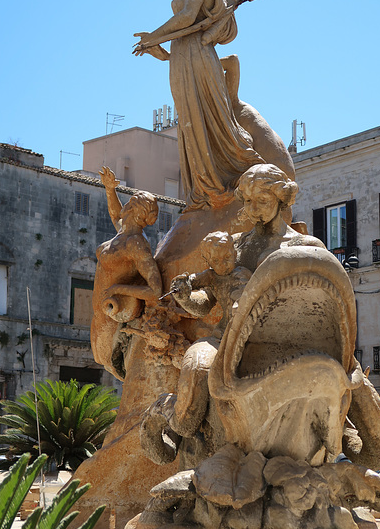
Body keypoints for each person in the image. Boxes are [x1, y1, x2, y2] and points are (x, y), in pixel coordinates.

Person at [133, 0, 264, 211]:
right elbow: (188, 24)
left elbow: (188, 16)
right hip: (184, 55)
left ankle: (216, 183)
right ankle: (202, 188)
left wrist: (153, 36)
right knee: (191, 121)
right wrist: (158, 48)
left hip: (195, 53)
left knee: (200, 118)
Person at [140, 231, 251, 463]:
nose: (224, 265)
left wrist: (240, 306)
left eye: (228, 258)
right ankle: (173, 413)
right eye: (217, 262)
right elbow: (202, 307)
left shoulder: (242, 275)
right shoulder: (212, 276)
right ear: (209, 263)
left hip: (246, 339)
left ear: (235, 253)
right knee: (198, 366)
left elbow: (242, 295)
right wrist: (185, 296)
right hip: (220, 339)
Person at [91, 167, 162, 379]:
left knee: (115, 368)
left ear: (134, 209)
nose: (126, 204)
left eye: (129, 202)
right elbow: (115, 214)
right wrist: (110, 189)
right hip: (100, 314)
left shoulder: (136, 244)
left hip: (113, 315)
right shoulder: (123, 234)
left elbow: (156, 290)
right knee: (103, 363)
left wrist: (118, 289)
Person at [234, 163, 325, 272]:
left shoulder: (308, 246)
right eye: (248, 200)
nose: (253, 209)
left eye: (262, 200)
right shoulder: (234, 245)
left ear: (281, 198)